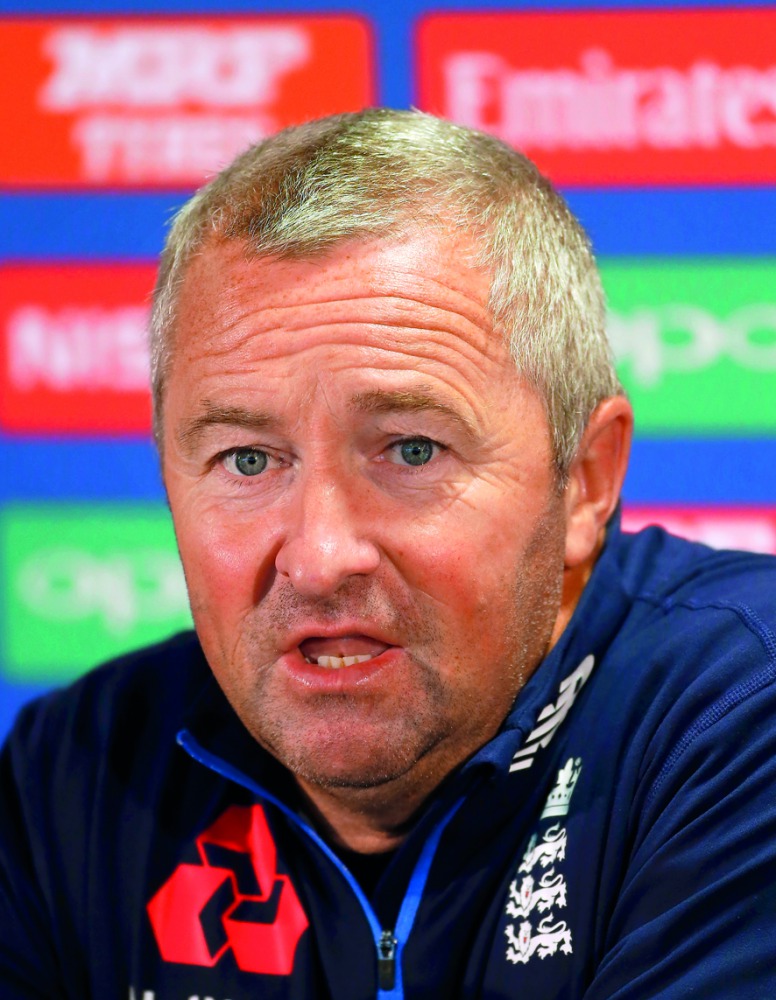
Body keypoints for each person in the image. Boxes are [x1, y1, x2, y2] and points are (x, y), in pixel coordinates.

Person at [1, 108, 775, 1000]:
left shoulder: (738, 716)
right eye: (247, 460)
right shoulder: (78, 773)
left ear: (586, 481)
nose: (322, 557)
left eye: (411, 450)